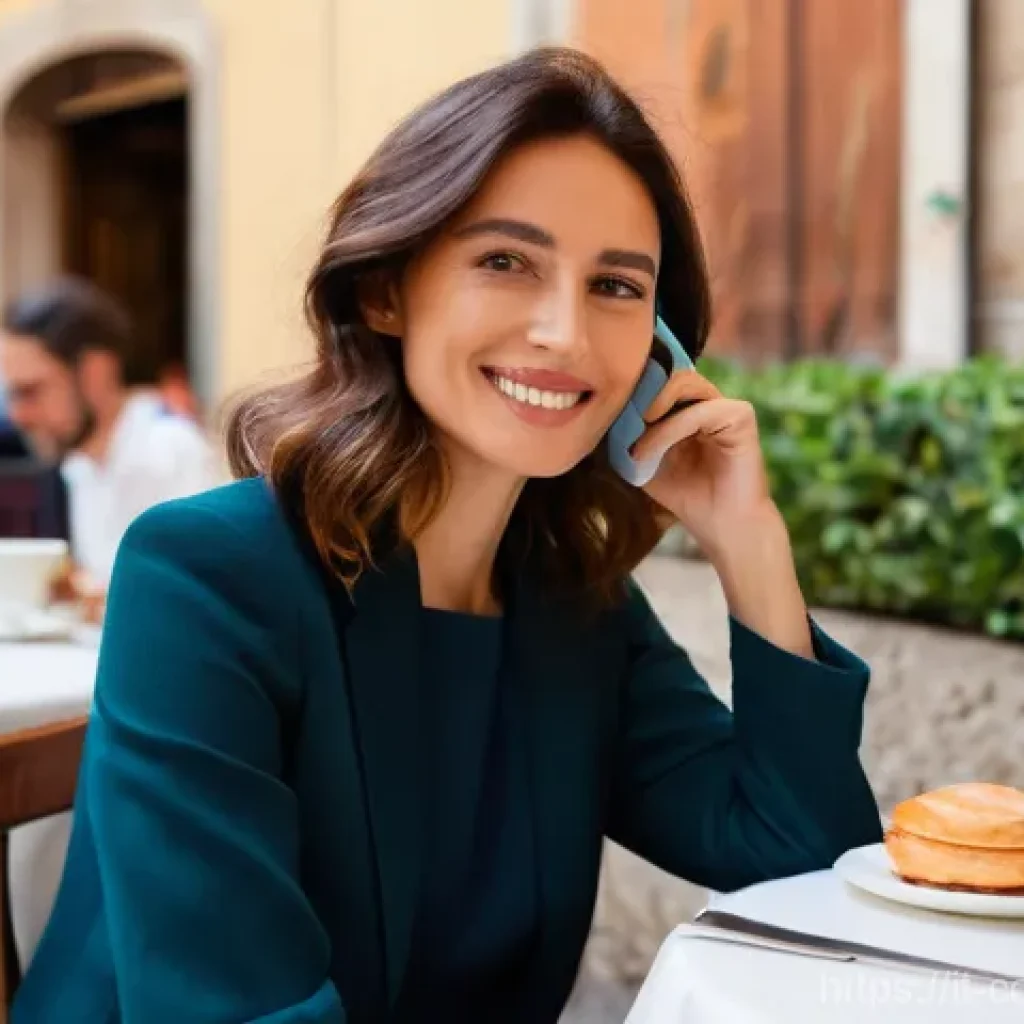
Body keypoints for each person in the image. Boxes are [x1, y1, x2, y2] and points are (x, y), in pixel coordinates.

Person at [13, 48, 882, 1024]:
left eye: (615, 285)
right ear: (385, 290)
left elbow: (801, 860)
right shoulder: (208, 578)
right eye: (506, 261)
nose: (565, 333)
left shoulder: (574, 602)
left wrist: (746, 540)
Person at [0, 277, 221, 597]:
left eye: (31, 391)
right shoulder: (78, 464)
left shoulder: (171, 449)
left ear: (94, 371)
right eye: (12, 394)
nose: (17, 415)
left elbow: (198, 593)